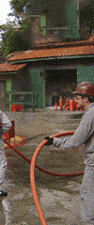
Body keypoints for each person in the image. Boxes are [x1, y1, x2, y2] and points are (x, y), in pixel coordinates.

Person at [44, 82, 94, 224]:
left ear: (86, 99)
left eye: (78, 98)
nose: (75, 101)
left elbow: (75, 141)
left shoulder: (90, 114)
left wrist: (54, 141)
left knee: (88, 195)